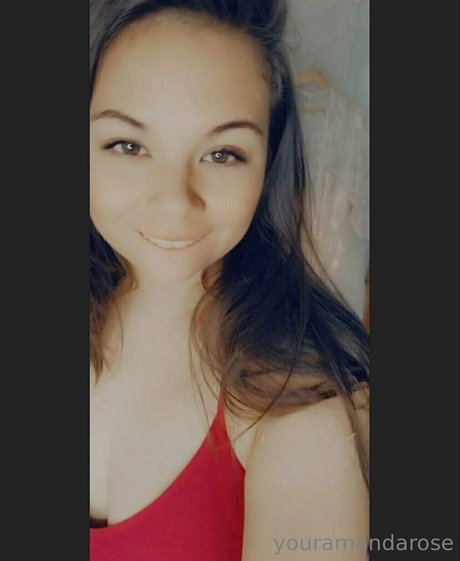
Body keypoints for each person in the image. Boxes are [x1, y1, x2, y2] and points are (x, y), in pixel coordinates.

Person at [89, 1, 370, 559]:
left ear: (267, 166)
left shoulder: (300, 408)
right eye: (129, 145)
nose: (175, 203)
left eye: (223, 154)